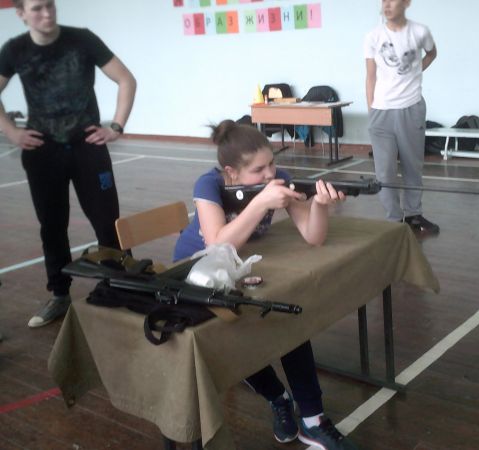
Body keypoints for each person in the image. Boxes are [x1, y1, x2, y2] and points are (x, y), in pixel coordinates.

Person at [173, 120, 360, 450]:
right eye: (258, 170)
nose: (271, 174)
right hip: (196, 272)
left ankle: (313, 419)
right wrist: (260, 203)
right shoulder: (209, 184)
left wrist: (318, 204)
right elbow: (216, 244)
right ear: (231, 173)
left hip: (241, 268)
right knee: (232, 339)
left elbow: (314, 237)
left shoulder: (279, 180)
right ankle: (277, 397)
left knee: (285, 317)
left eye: (272, 163)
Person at [0, 0, 137, 327]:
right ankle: (60, 294)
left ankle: (119, 285)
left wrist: (116, 126)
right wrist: (11, 132)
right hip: (42, 151)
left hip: (88, 147)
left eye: (50, 5)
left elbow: (126, 80)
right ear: (21, 14)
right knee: (51, 225)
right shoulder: (15, 50)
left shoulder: (82, 39)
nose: (46, 13)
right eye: (37, 8)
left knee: (107, 221)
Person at [365, 0, 439, 234]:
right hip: (381, 112)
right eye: (383, 1)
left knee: (412, 166)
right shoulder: (373, 37)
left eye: (392, 0)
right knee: (384, 171)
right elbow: (370, 76)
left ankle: (414, 215)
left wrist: (416, 71)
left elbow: (432, 53)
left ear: (406, 3)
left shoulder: (420, 32)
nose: (387, 5)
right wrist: (371, 110)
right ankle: (394, 220)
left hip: (411, 108)